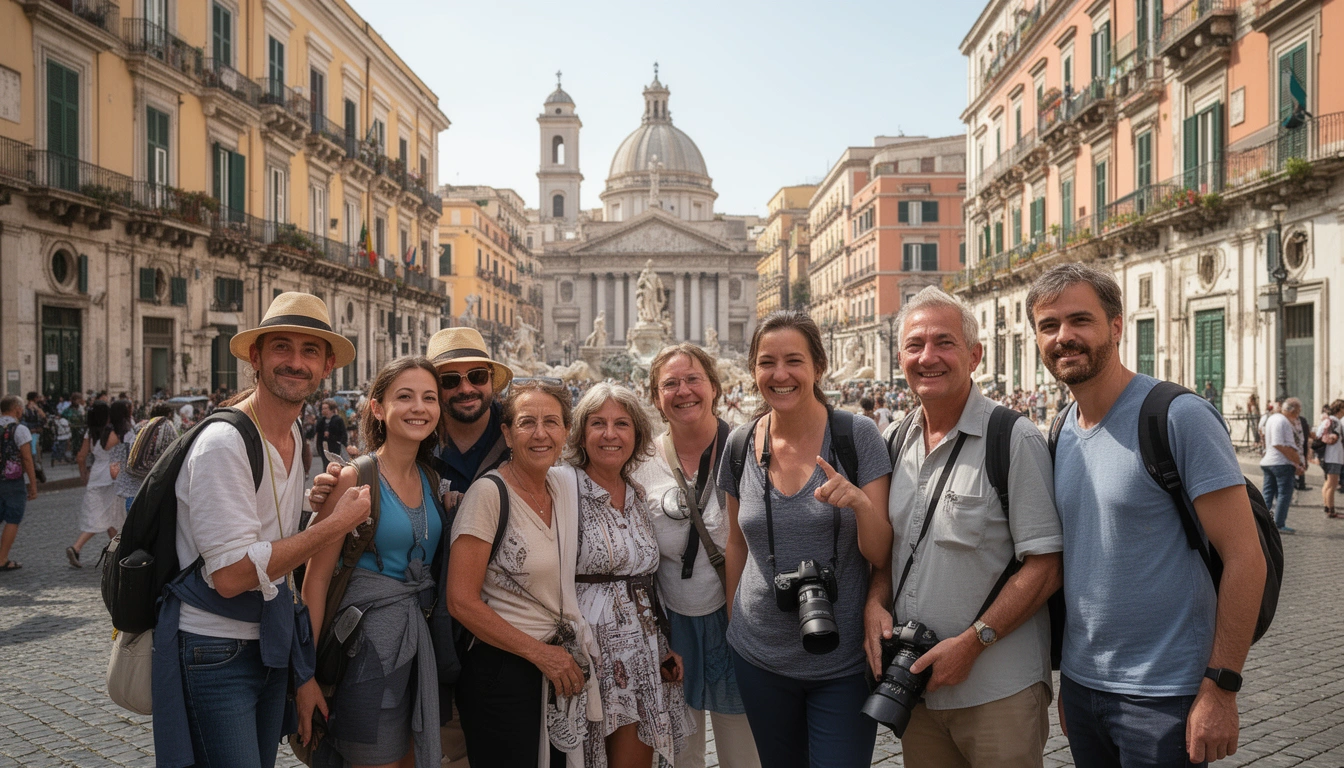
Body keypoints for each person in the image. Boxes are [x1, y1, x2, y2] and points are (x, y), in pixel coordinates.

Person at [1027, 264, 1266, 767]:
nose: (1064, 336)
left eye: (1080, 320)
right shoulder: (1061, 429)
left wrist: (1221, 687)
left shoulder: (1180, 416)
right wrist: (1070, 681)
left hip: (1167, 697)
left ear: (1116, 327)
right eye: (1049, 326)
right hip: (1084, 688)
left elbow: (1246, 558)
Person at [151, 292, 371, 768]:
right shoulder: (224, 444)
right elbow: (231, 575)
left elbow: (271, 545)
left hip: (268, 641)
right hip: (215, 648)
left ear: (327, 366)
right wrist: (336, 525)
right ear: (256, 357)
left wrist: (314, 511)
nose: (295, 362)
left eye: (310, 350)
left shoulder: (291, 435)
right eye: (281, 347)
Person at [865, 287, 1062, 767]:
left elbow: (1046, 566)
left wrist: (973, 644)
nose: (927, 357)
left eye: (944, 342)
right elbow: (890, 552)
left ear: (974, 355)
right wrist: (875, 602)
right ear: (900, 358)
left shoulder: (1013, 438)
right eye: (914, 345)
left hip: (998, 691)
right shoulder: (892, 441)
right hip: (918, 691)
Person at [719, 310, 893, 768]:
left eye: (794, 360)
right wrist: (735, 622)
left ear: (819, 366)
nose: (780, 374)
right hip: (759, 656)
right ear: (753, 370)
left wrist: (860, 505)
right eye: (766, 362)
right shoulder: (739, 445)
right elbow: (736, 543)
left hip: (844, 659)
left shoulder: (857, 436)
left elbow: (881, 553)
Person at [446, 379, 601, 767]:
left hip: (557, 667)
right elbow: (460, 601)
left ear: (566, 431)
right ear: (507, 433)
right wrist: (541, 655)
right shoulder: (487, 495)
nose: (540, 434)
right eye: (527, 422)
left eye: (551, 422)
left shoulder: (562, 487)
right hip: (504, 670)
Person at [301, 357, 447, 768]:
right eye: (405, 397)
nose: (419, 407)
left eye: (429, 398)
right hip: (367, 656)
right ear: (378, 408)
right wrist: (305, 675)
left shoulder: (430, 478)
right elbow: (315, 579)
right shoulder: (354, 478)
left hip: (418, 652)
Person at [635, 343, 761, 768]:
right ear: (656, 398)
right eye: (670, 383)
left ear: (714, 388)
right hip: (672, 624)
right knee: (679, 753)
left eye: (693, 379)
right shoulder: (640, 463)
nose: (683, 391)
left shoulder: (750, 449)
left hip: (739, 618)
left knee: (743, 752)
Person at [567, 383, 691, 766]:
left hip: (642, 653)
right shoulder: (562, 488)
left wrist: (664, 646)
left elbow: (646, 581)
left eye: (622, 424)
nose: (610, 434)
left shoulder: (637, 493)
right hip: (587, 654)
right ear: (581, 434)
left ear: (636, 434)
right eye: (598, 423)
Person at [428, 327, 514, 498]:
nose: (466, 389)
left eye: (477, 376)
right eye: (450, 380)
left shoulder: (517, 432)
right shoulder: (417, 441)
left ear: (491, 378)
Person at [66, 400, 133, 567]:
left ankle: (115, 552)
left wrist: (84, 474)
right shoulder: (114, 431)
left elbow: (81, 457)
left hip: (96, 475)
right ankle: (80, 548)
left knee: (105, 515)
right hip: (112, 475)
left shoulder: (90, 433)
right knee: (113, 515)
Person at [109, 402, 179, 514]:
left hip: (132, 491)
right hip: (155, 491)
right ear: (169, 414)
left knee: (133, 523)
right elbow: (175, 453)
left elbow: (126, 452)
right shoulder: (168, 428)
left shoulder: (138, 427)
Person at [0, 395, 39, 571]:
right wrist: (33, 485)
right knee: (13, 518)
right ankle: (2, 558)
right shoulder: (20, 429)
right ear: (16, 409)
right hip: (12, 480)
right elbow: (27, 459)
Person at [1261, 397, 1304, 534]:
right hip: (1281, 463)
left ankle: (1262, 523)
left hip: (1269, 461)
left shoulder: (1273, 418)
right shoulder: (1282, 421)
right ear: (1293, 410)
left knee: (1267, 494)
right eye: (1298, 411)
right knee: (1284, 494)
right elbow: (1278, 444)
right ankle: (1278, 524)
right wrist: (1297, 462)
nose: (1298, 415)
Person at [1314, 399, 1343, 519]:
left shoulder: (1327, 420)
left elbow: (1318, 434)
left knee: (1327, 483)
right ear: (1340, 409)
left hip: (1327, 456)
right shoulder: (1336, 421)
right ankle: (1331, 510)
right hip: (1334, 456)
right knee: (1333, 484)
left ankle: (1327, 506)